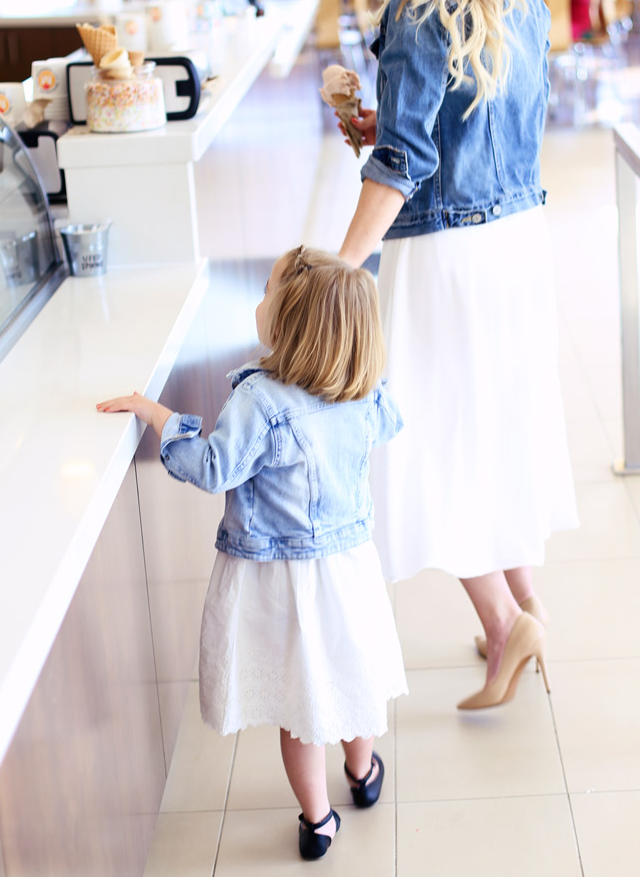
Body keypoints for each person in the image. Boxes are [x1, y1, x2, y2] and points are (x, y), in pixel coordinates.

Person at [335, 0, 578, 712]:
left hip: (441, 258)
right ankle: (525, 609)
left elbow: (403, 162)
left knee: (434, 440)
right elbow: (468, 131)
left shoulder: (416, 5)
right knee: (494, 429)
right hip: (515, 245)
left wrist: (339, 266)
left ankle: (506, 622)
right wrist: (384, 131)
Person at [97, 246, 407, 862]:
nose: (258, 300)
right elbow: (389, 420)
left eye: (266, 292)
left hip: (276, 582)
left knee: (300, 708)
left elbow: (213, 467)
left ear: (287, 322)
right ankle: (364, 769)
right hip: (345, 574)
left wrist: (161, 416)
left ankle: (318, 822)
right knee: (346, 678)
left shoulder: (260, 402)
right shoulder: (364, 392)